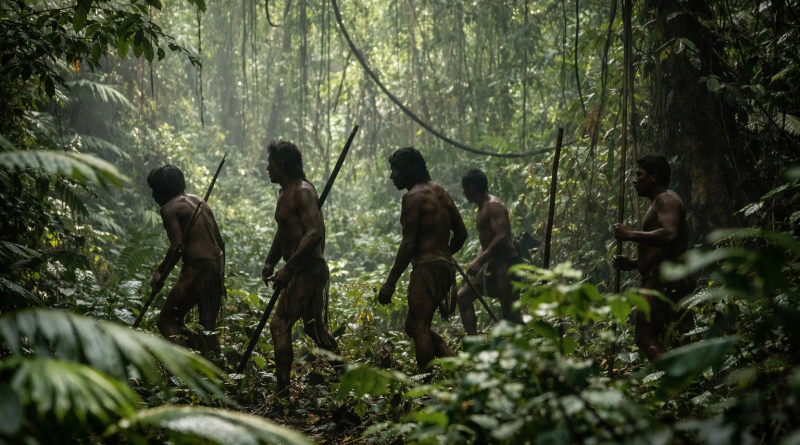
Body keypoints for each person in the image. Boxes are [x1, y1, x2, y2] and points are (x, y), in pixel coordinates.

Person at [378, 147, 468, 375]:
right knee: (413, 325)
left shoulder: (412, 197)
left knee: (420, 328)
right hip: (444, 267)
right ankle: (459, 370)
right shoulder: (441, 192)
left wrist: (390, 282)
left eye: (395, 170)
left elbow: (408, 244)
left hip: (427, 268)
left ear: (407, 170)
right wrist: (444, 255)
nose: (392, 176)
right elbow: (461, 234)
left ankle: (425, 385)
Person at [261, 140, 340, 396]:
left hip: (308, 268)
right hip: (301, 269)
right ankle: (347, 376)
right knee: (314, 328)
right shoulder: (284, 192)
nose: (267, 168)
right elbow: (283, 231)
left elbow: (314, 233)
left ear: (282, 164)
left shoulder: (302, 191)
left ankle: (282, 392)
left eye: (271, 163)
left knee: (279, 324)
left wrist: (289, 268)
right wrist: (271, 261)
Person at [613, 154, 695, 360]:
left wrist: (629, 234)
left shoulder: (665, 199)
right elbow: (664, 249)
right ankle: (693, 377)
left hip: (662, 279)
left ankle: (677, 377)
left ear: (653, 176)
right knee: (682, 338)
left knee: (645, 338)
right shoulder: (662, 201)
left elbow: (670, 234)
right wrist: (633, 263)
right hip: (668, 276)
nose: (634, 180)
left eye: (639, 174)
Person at [148, 165, 224, 355]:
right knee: (207, 329)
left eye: (155, 190)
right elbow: (221, 244)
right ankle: (212, 365)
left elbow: (177, 246)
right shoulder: (200, 202)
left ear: (164, 189)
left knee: (166, 321)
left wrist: (160, 272)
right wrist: (219, 275)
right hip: (215, 265)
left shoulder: (168, 209)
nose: (153, 196)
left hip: (197, 269)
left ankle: (187, 369)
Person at [458, 169, 524, 335]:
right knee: (463, 297)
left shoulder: (493, 205)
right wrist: (479, 261)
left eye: (464, 188)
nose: (463, 193)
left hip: (505, 262)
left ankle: (524, 345)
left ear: (472, 187)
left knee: (509, 310)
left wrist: (479, 261)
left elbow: (502, 237)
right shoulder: (482, 207)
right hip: (489, 260)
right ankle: (474, 343)